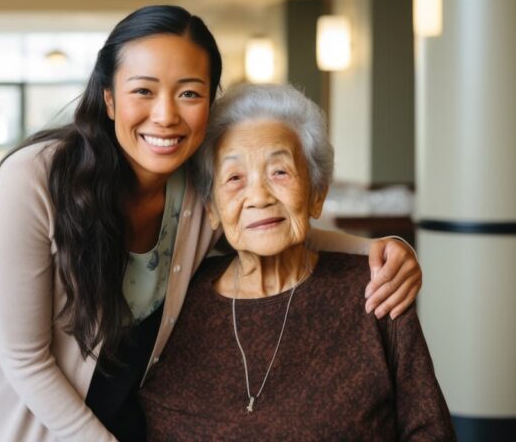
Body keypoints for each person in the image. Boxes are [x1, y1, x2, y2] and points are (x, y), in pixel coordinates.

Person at [0, 6, 424, 441]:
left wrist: (381, 246)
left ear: (210, 102)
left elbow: (274, 221)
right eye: (143, 91)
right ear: (108, 99)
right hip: (3, 414)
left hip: (103, 401)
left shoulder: (199, 188)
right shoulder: (36, 177)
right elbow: (24, 359)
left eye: (189, 93)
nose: (165, 116)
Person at [139, 83, 454, 441]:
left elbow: (430, 432)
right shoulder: (174, 302)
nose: (258, 196)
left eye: (279, 172)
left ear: (317, 195)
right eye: (234, 178)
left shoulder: (375, 292)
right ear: (212, 210)